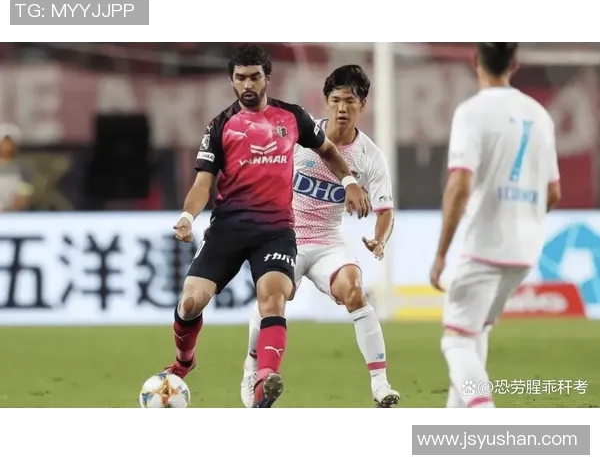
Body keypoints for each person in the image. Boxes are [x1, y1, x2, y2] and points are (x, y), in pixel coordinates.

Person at [163, 45, 370, 408]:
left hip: (276, 230)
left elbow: (327, 150)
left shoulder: (292, 117)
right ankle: (184, 361)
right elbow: (202, 183)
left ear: (267, 78)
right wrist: (187, 217)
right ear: (232, 80)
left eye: (254, 77)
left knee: (273, 298)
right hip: (228, 229)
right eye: (241, 77)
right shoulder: (220, 126)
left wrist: (350, 181)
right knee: (191, 302)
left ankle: (265, 380)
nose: (248, 84)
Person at [240, 65, 400, 408]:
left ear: (362, 105)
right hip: (286, 236)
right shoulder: (300, 135)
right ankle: (252, 370)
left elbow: (386, 210)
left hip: (328, 240)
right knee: (272, 297)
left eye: (350, 101)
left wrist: (379, 239)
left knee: (355, 291)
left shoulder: (370, 156)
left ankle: (380, 384)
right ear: (326, 102)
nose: (342, 108)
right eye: (336, 100)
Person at [429, 43, 561, 408]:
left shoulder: (472, 113)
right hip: (526, 251)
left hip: (484, 246)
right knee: (476, 330)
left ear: (476, 62)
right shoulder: (540, 115)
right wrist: (525, 218)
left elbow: (459, 186)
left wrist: (441, 254)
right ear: (514, 64)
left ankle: (484, 413)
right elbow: (553, 192)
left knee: (455, 340)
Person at [0, 124, 33, 212]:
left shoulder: (25, 168)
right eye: (4, 141)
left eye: (10, 141)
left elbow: (23, 195)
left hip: (14, 215)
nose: (7, 145)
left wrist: (8, 210)